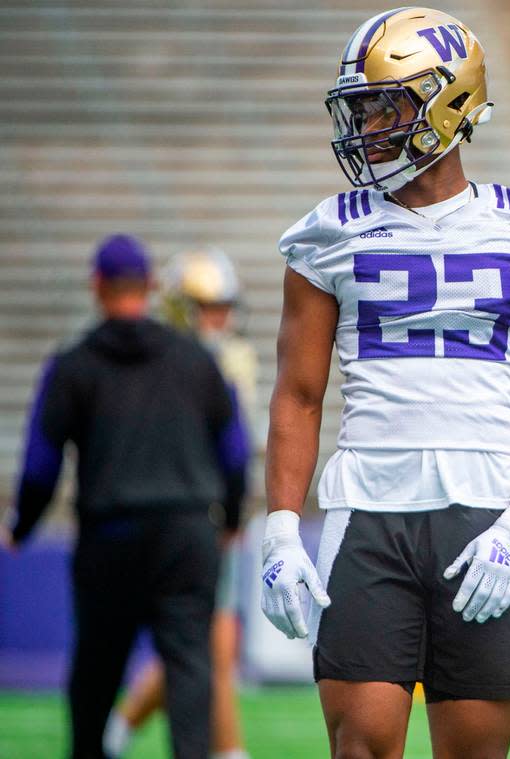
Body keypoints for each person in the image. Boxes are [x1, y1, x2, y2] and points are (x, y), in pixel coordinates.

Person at [256, 8, 510, 759]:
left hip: (483, 517)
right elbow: (297, 394)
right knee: (361, 748)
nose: (367, 125)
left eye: (385, 104)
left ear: (450, 104)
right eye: (362, 107)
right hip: (368, 513)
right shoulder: (327, 231)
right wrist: (281, 526)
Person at [4, 234, 247, 759]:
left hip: (109, 536)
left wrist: (22, 526)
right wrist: (229, 517)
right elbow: (234, 450)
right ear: (151, 286)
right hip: (187, 534)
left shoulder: (73, 365)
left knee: (95, 671)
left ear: (97, 286)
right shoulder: (197, 361)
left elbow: (41, 464)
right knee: (189, 670)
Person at [105, 248, 255, 759]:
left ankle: (118, 726)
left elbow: (234, 447)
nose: (221, 318)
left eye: (223, 306)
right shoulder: (168, 362)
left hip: (212, 513)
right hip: (181, 517)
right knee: (204, 642)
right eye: (208, 307)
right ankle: (226, 749)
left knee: (205, 642)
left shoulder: (227, 359)